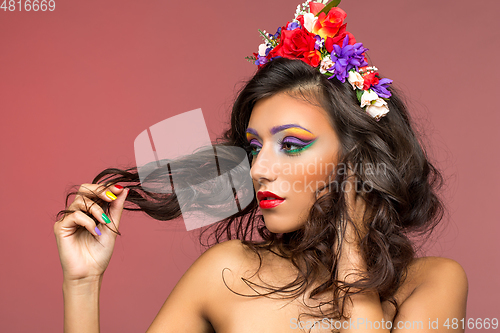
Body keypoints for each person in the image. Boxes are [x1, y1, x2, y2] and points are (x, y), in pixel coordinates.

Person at [53, 1, 468, 332]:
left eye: (291, 145)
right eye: (254, 148)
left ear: (356, 156)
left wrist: (354, 259)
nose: (257, 170)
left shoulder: (431, 283)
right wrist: (83, 283)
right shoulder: (226, 271)